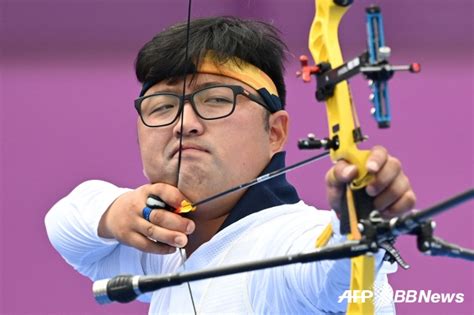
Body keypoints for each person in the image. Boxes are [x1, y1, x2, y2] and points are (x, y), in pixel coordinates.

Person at [45, 16, 415, 314]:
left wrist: (355, 224)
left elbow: (331, 275)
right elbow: (65, 221)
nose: (183, 123)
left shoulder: (290, 238)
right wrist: (115, 214)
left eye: (216, 100)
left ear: (275, 131)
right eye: (162, 106)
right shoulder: (165, 250)